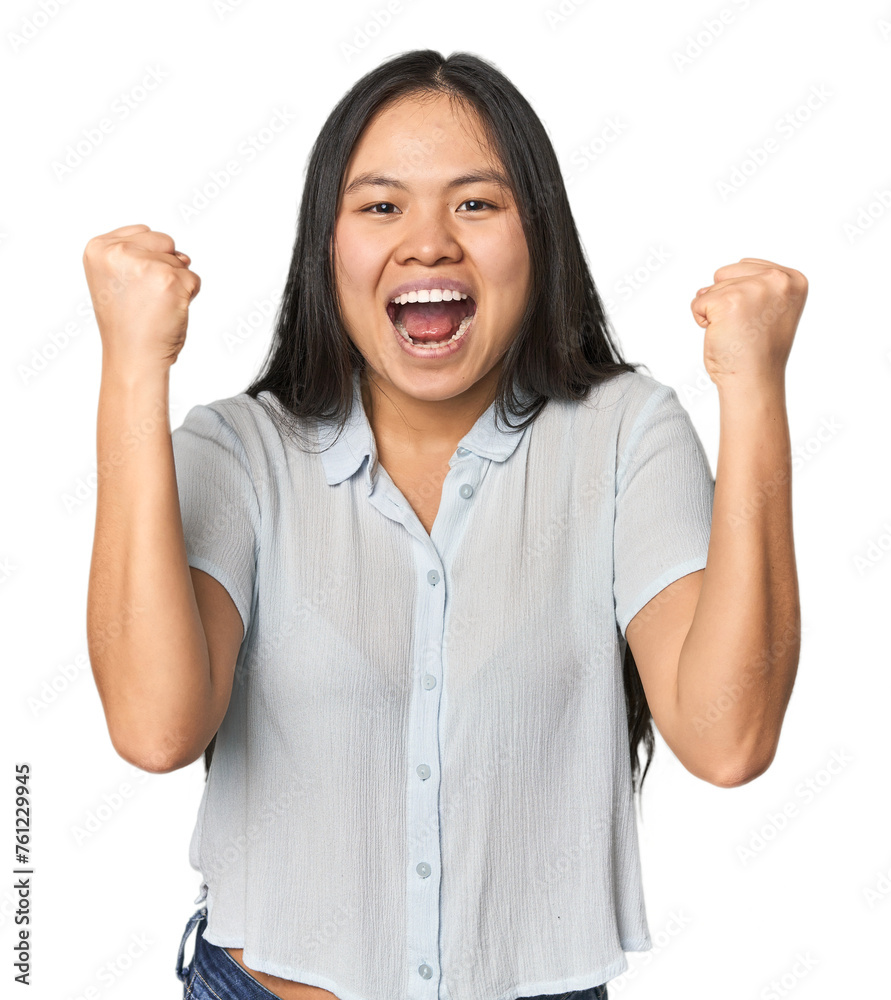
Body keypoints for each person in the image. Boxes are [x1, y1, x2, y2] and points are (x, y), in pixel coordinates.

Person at [84, 49, 804, 1000]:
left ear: (536, 237)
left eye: (476, 203)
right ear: (325, 245)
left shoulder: (626, 435)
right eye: (381, 206)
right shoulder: (239, 451)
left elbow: (728, 738)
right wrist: (134, 365)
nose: (427, 243)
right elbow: (154, 726)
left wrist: (752, 389)